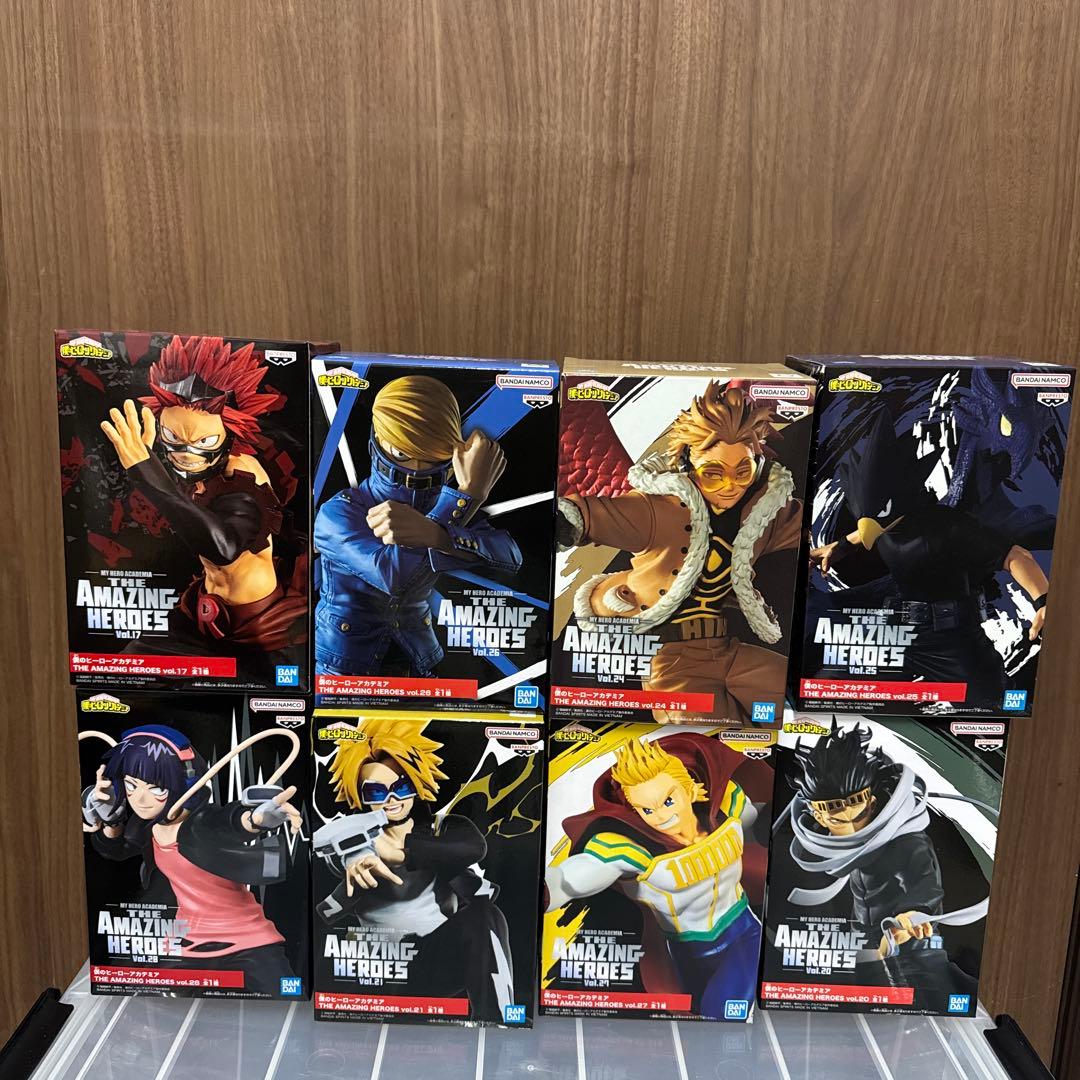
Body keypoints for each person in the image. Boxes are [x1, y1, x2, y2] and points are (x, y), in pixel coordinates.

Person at [557, 382, 800, 722]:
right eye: (713, 474)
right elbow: (593, 516)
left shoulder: (761, 513)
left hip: (727, 650)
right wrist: (570, 520)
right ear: (688, 464)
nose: (730, 486)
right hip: (671, 661)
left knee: (799, 704)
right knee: (709, 738)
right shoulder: (661, 510)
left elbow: (809, 526)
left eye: (742, 472)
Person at [99, 336, 307, 678]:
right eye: (173, 438)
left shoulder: (242, 473)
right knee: (123, 672)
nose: (187, 454)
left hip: (260, 628)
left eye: (204, 441)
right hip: (201, 612)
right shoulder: (194, 470)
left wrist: (145, 470)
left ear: (229, 435)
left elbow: (223, 547)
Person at [546, 732, 771, 1019]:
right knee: (694, 1021)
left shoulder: (728, 806)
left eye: (668, 801)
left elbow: (760, 821)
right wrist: (543, 890)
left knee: (721, 1016)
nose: (661, 817)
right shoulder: (632, 849)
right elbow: (570, 881)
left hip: (743, 936)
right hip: (683, 952)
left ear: (690, 789)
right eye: (646, 809)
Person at [315, 375, 521, 677]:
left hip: (418, 663)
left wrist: (440, 531)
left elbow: (510, 556)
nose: (416, 468)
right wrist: (464, 500)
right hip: (344, 668)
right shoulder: (339, 512)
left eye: (431, 456)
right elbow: (394, 578)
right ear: (377, 441)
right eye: (402, 453)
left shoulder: (448, 507)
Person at [317, 719, 514, 1023]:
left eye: (402, 786)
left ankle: (497, 1017)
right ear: (359, 795)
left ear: (418, 782)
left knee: (487, 915)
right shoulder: (351, 838)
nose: (392, 799)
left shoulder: (441, 828)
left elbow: (472, 847)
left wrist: (403, 853)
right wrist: (354, 862)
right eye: (376, 791)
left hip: (436, 959)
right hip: (379, 968)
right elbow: (335, 849)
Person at [82, 724, 301, 993]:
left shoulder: (202, 821)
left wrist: (256, 819)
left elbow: (230, 820)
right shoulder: (149, 826)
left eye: (156, 788)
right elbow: (116, 849)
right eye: (131, 785)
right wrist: (111, 818)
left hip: (249, 940)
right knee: (148, 1002)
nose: (140, 799)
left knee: (286, 994)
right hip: (186, 943)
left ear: (186, 782)